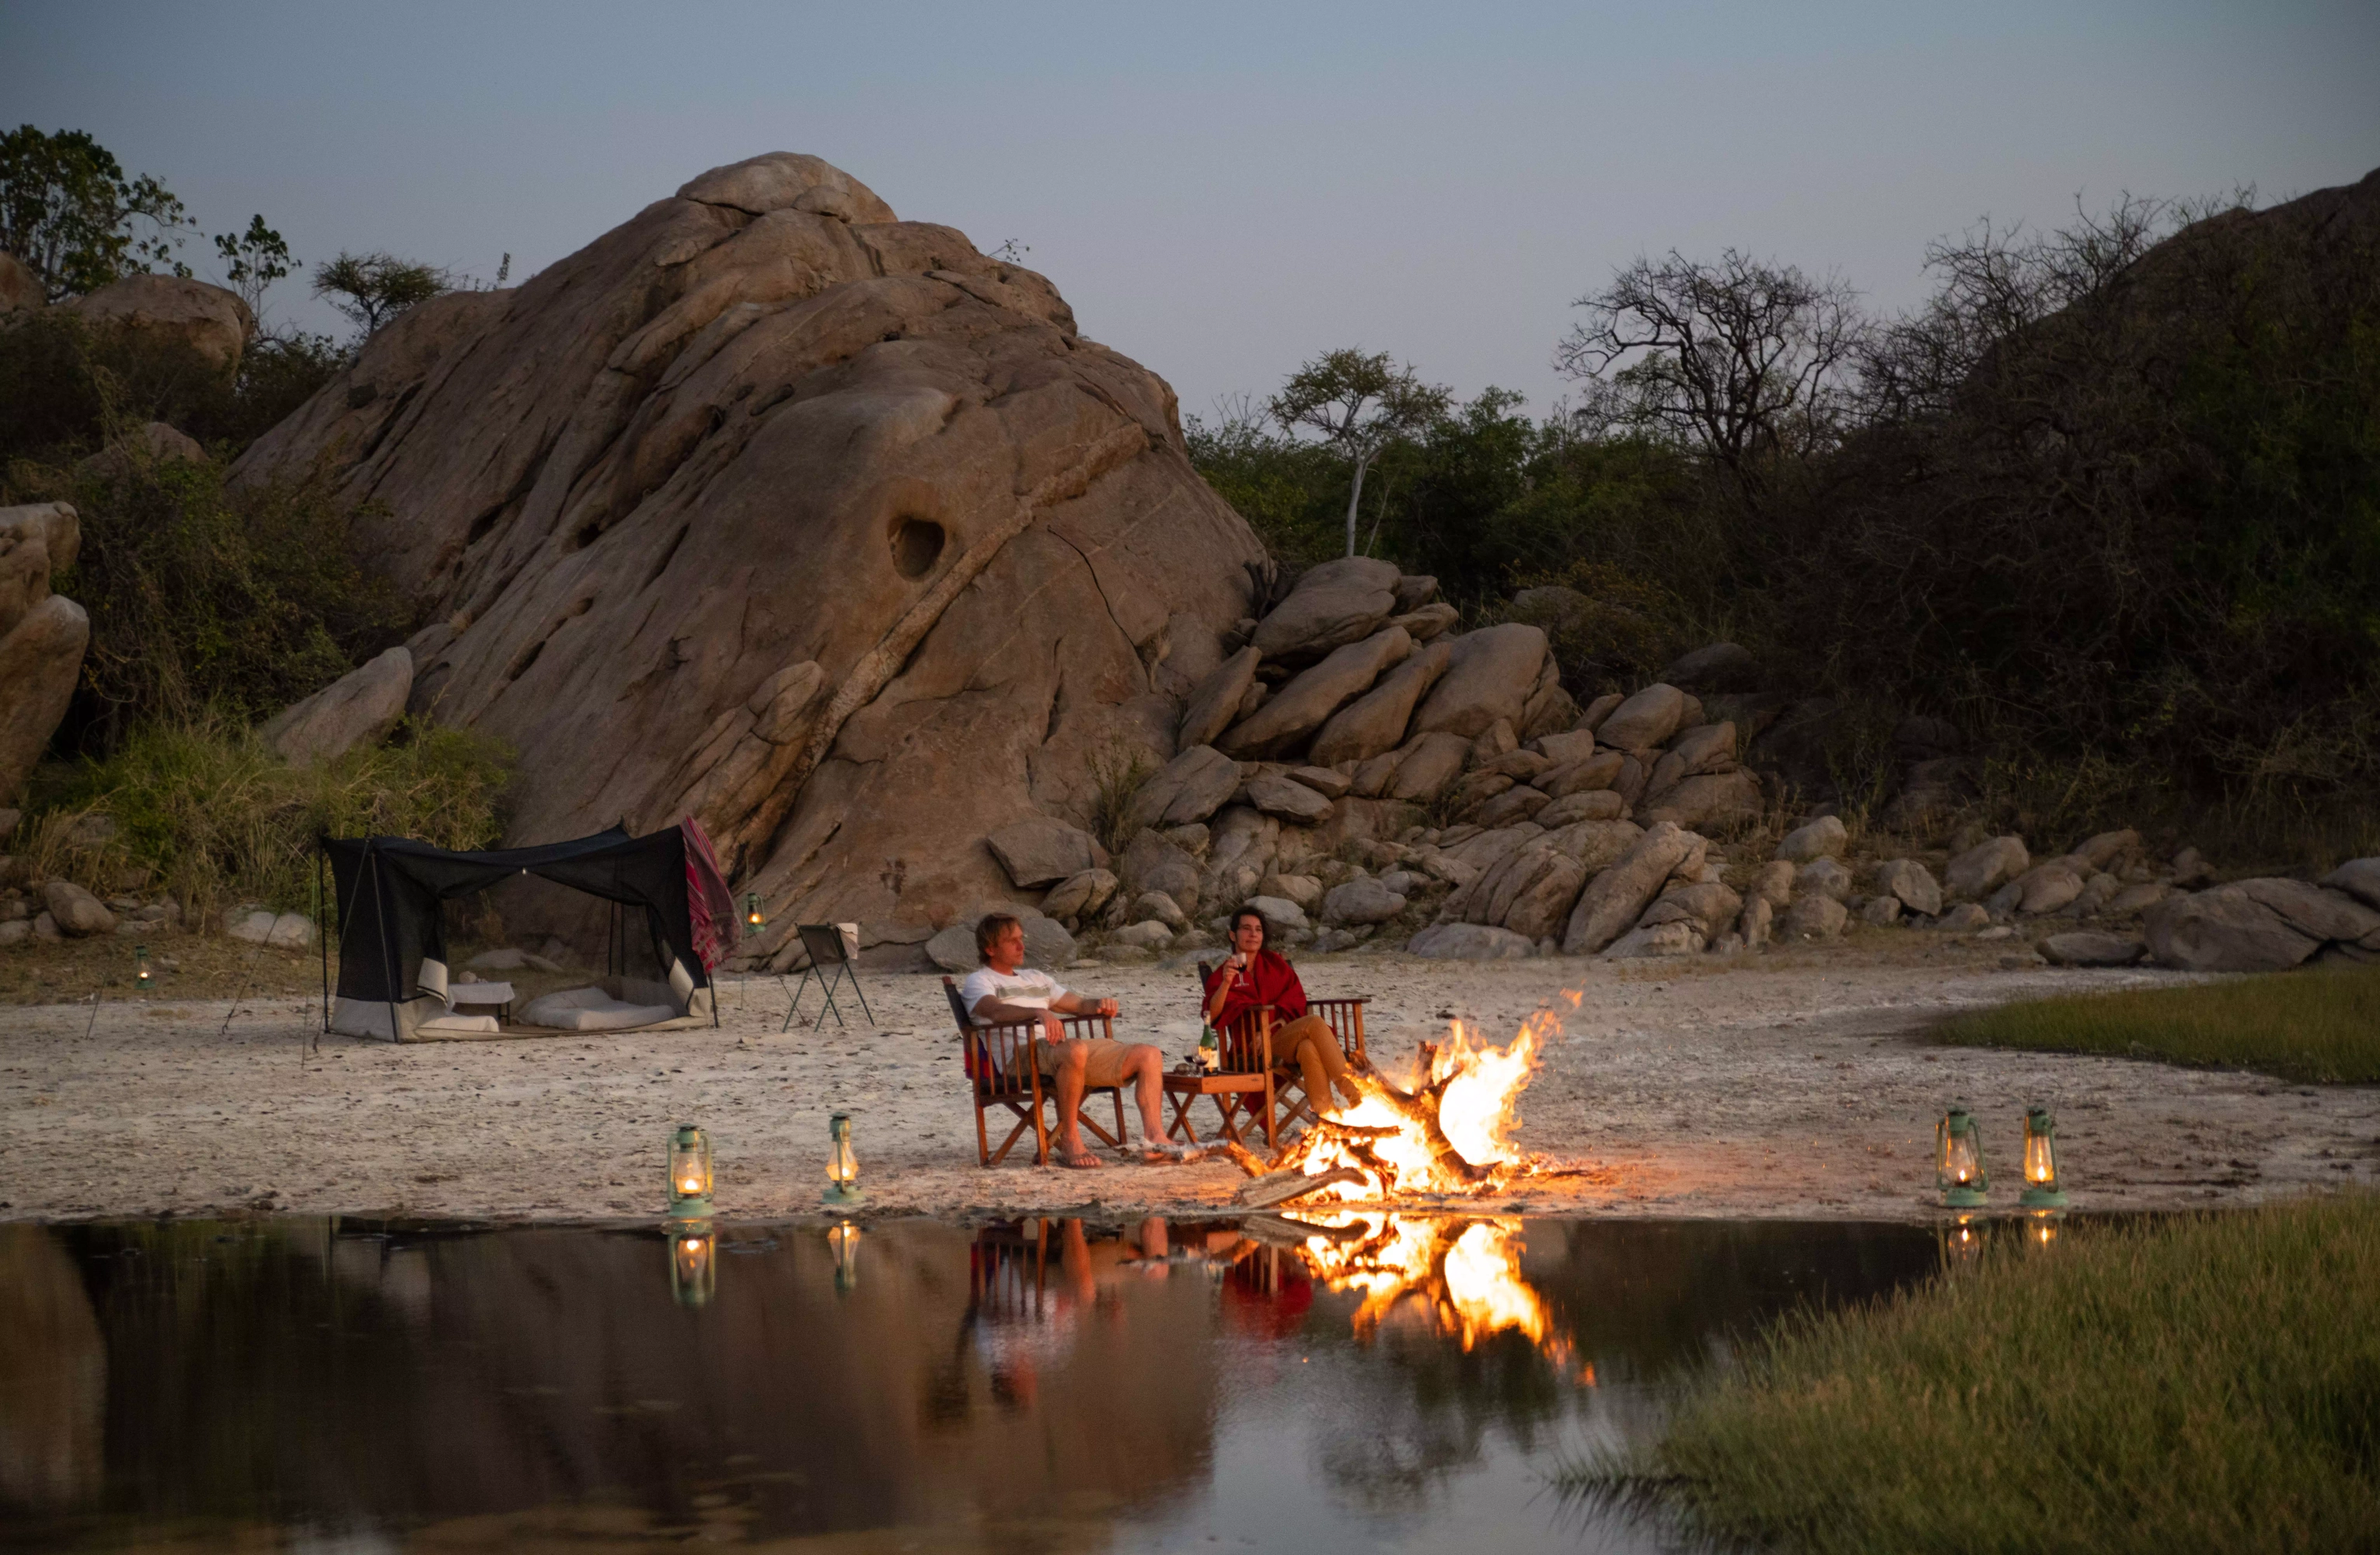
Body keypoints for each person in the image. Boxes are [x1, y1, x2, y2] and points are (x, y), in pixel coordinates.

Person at [961, 914, 1168, 1169]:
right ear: (990, 948)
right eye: (1011, 941)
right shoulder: (979, 981)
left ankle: (1155, 1140)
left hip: (1058, 1052)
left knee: (1148, 1054)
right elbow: (994, 1011)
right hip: (1016, 1057)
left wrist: (1100, 1004)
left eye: (1021, 939)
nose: (1021, 946)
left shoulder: (1035, 978)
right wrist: (1039, 1013)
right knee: (1073, 1049)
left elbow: (1080, 1004)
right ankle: (1070, 1139)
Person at [1203, 906, 1363, 1113]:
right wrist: (1226, 983)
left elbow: (1296, 1000)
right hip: (1252, 1049)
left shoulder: (1275, 964)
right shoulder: (1223, 973)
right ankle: (1357, 1098)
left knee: (1308, 1047)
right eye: (1246, 928)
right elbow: (1211, 1016)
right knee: (1313, 1023)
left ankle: (1327, 1116)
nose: (1253, 934)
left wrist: (1277, 1024)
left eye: (1258, 929)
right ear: (1233, 935)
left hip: (1280, 1038)